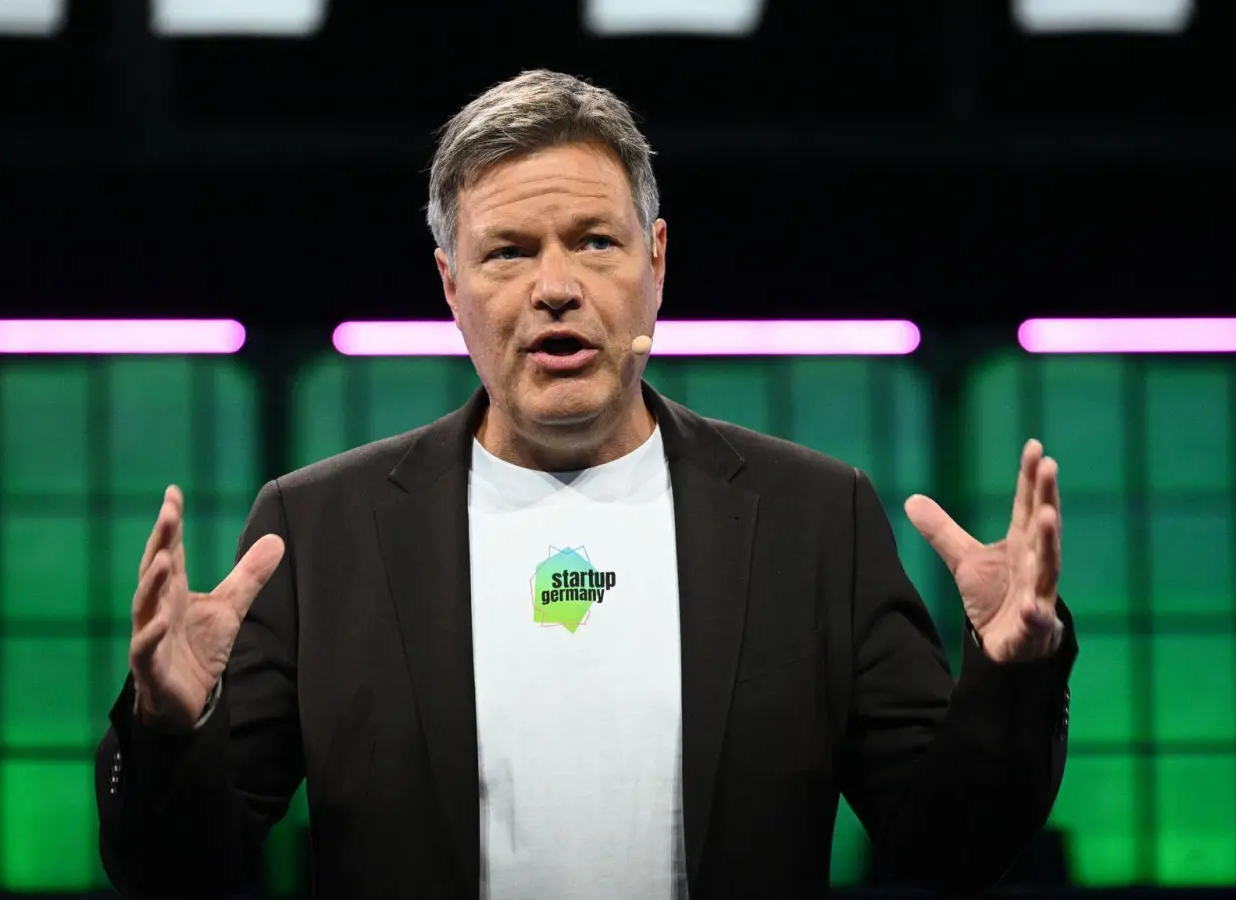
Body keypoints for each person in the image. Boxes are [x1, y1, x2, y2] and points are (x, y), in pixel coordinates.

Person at [95, 69, 1078, 900]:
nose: (554, 286)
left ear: (655, 264)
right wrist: (170, 726)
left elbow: (948, 845)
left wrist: (1011, 674)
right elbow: (181, 874)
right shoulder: (320, 531)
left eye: (595, 242)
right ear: (450, 287)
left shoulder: (812, 522)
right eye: (509, 252)